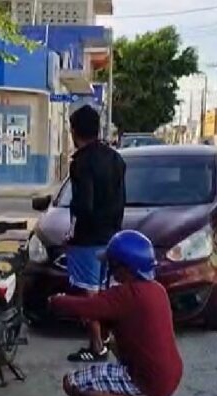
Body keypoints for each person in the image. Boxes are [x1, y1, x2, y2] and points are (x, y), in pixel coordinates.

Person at [48, 230, 183, 396]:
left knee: (72, 384)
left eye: (113, 264)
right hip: (170, 374)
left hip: (151, 380)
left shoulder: (126, 296)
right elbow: (113, 316)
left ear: (125, 268)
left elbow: (85, 306)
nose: (110, 268)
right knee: (113, 343)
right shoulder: (156, 289)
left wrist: (56, 300)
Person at [65, 105, 126, 363]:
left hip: (89, 238)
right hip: (112, 235)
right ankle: (111, 339)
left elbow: (84, 205)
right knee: (106, 291)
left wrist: (72, 231)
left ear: (74, 131)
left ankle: (97, 346)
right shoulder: (116, 158)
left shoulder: (81, 162)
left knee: (89, 294)